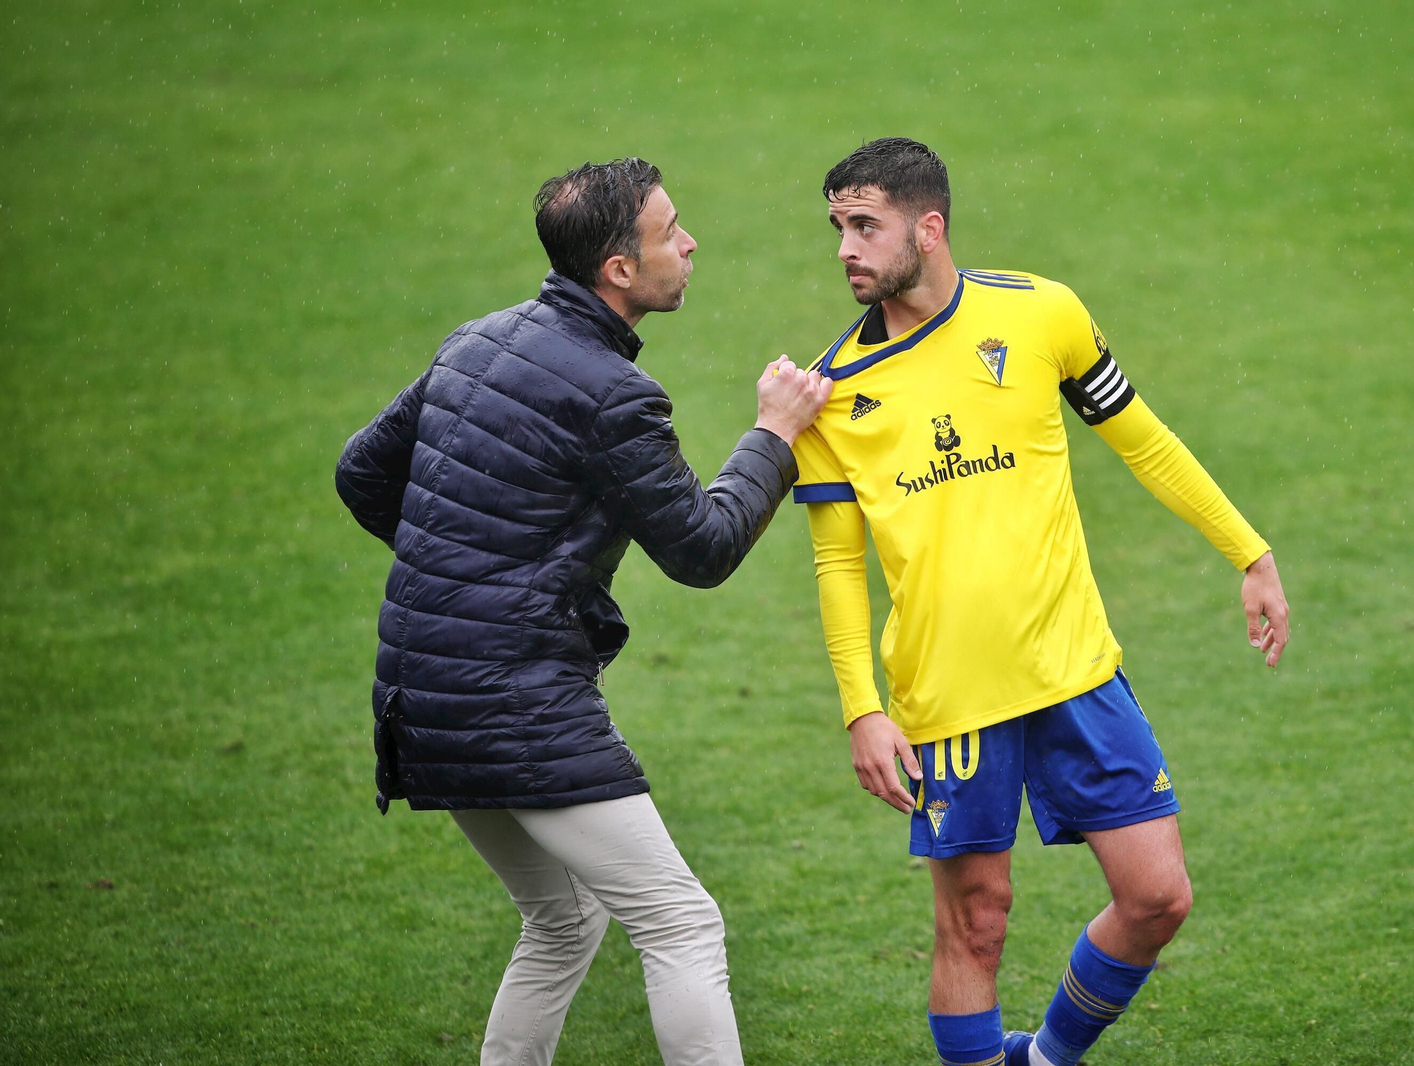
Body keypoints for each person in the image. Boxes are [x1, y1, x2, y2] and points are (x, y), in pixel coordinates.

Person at [790, 138, 1291, 1066]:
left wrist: (1248, 551)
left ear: (928, 227)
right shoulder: (830, 397)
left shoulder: (1040, 313)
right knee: (977, 923)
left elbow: (1143, 440)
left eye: (865, 226)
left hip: (1074, 669)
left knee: (1157, 898)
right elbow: (835, 567)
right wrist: (863, 707)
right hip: (950, 697)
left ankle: (1047, 1059)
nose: (845, 250)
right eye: (837, 229)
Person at [334, 156, 832, 1066]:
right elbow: (702, 548)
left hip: (419, 695)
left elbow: (362, 475)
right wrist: (775, 433)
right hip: (513, 699)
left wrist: (468, 578)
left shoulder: (476, 341)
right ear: (618, 270)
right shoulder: (614, 396)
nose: (689, 243)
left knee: (561, 920)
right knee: (682, 923)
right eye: (669, 231)